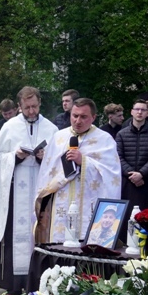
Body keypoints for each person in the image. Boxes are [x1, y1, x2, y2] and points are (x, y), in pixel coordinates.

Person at [0, 88, 54, 292]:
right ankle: (14, 286)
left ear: (40, 104)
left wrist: (43, 157)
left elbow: (57, 162)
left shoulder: (51, 128)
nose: (31, 111)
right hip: (15, 194)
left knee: (40, 235)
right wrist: (15, 156)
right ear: (19, 106)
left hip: (41, 194)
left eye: (34, 106)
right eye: (27, 107)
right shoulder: (9, 127)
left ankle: (39, 284)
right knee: (14, 236)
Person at [35, 98, 120, 246]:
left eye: (83, 117)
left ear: (93, 117)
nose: (78, 121)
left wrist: (83, 161)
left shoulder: (104, 139)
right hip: (62, 199)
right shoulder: (59, 137)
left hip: (89, 200)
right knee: (60, 243)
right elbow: (47, 173)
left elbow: (111, 175)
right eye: (75, 116)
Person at [115, 99, 148, 212]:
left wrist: (142, 174)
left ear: (147, 113)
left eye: (143, 110)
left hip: (146, 182)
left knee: (145, 217)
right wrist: (132, 175)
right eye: (137, 109)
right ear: (131, 112)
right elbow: (118, 157)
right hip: (127, 182)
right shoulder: (121, 134)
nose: (139, 112)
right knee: (126, 216)